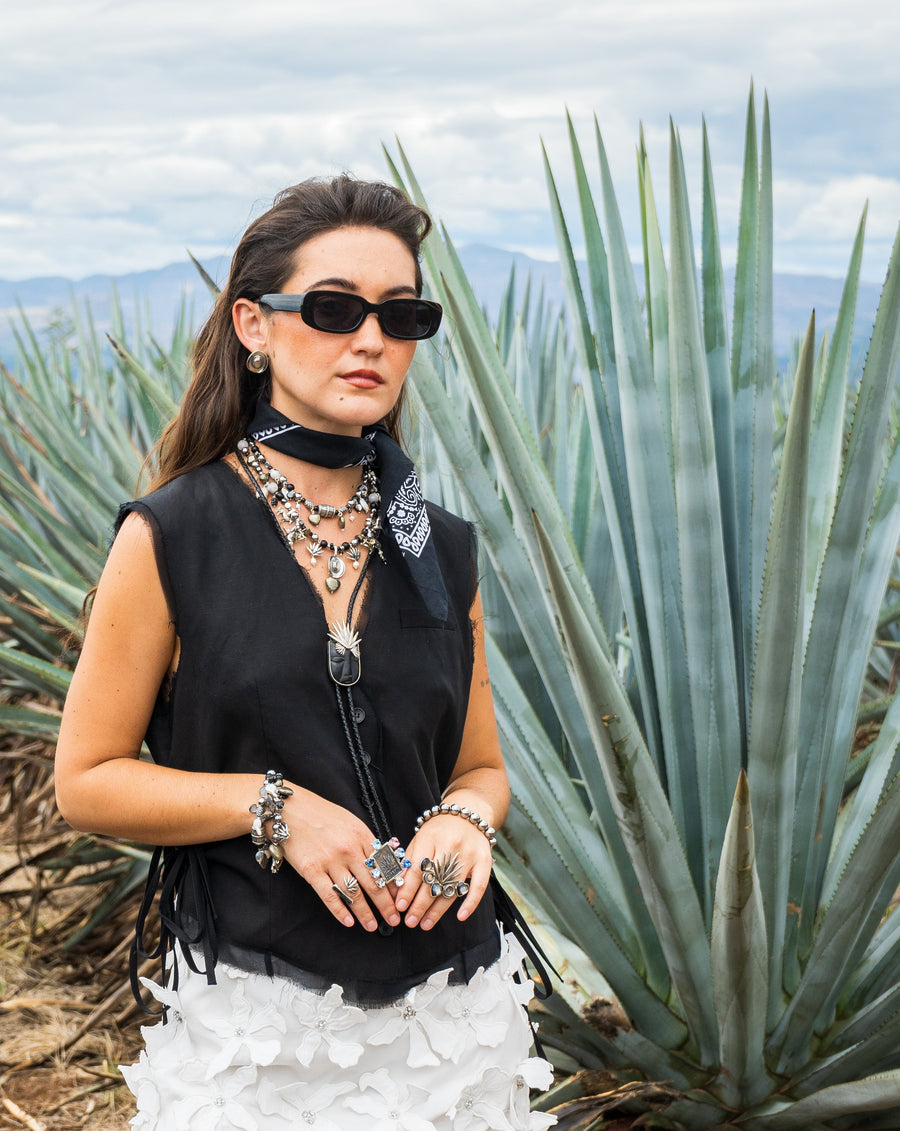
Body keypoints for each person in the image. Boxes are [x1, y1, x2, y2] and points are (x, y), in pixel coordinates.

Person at [54, 175, 556, 1129]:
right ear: (253, 324)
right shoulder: (171, 535)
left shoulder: (439, 542)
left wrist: (463, 821)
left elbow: (480, 767)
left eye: (402, 316)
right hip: (261, 1039)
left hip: (454, 1034)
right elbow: (85, 782)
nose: (370, 339)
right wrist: (271, 807)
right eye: (332, 309)